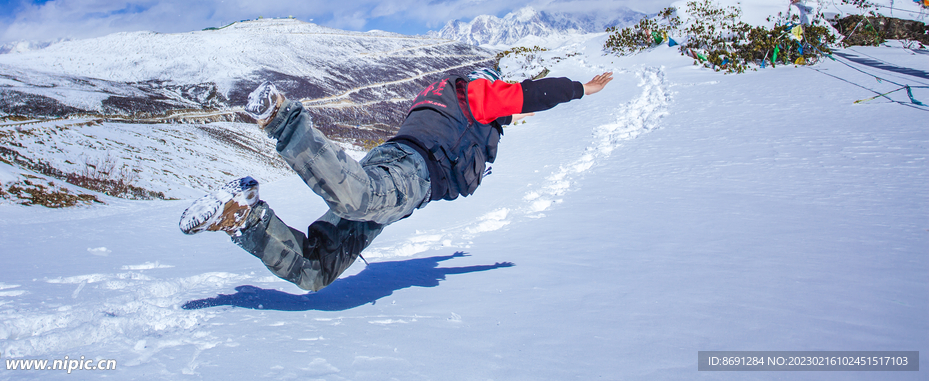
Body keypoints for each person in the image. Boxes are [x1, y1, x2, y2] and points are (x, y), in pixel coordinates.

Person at [180, 67, 614, 292]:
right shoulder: (479, 92)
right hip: (413, 171)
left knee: (317, 271)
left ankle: (244, 218)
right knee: (359, 199)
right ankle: (283, 120)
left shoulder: (438, 96)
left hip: (396, 162)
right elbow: (533, 94)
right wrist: (581, 88)